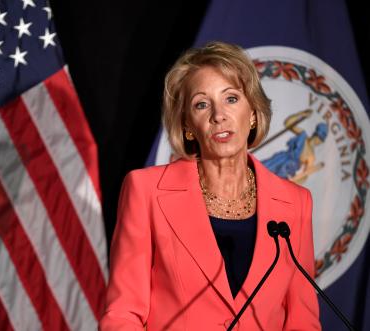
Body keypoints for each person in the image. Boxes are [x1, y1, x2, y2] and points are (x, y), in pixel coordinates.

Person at [99, 41, 321, 330]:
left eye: (231, 99)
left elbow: (303, 321)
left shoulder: (295, 203)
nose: (219, 115)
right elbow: (122, 315)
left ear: (253, 112)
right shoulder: (146, 192)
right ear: (188, 125)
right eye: (202, 104)